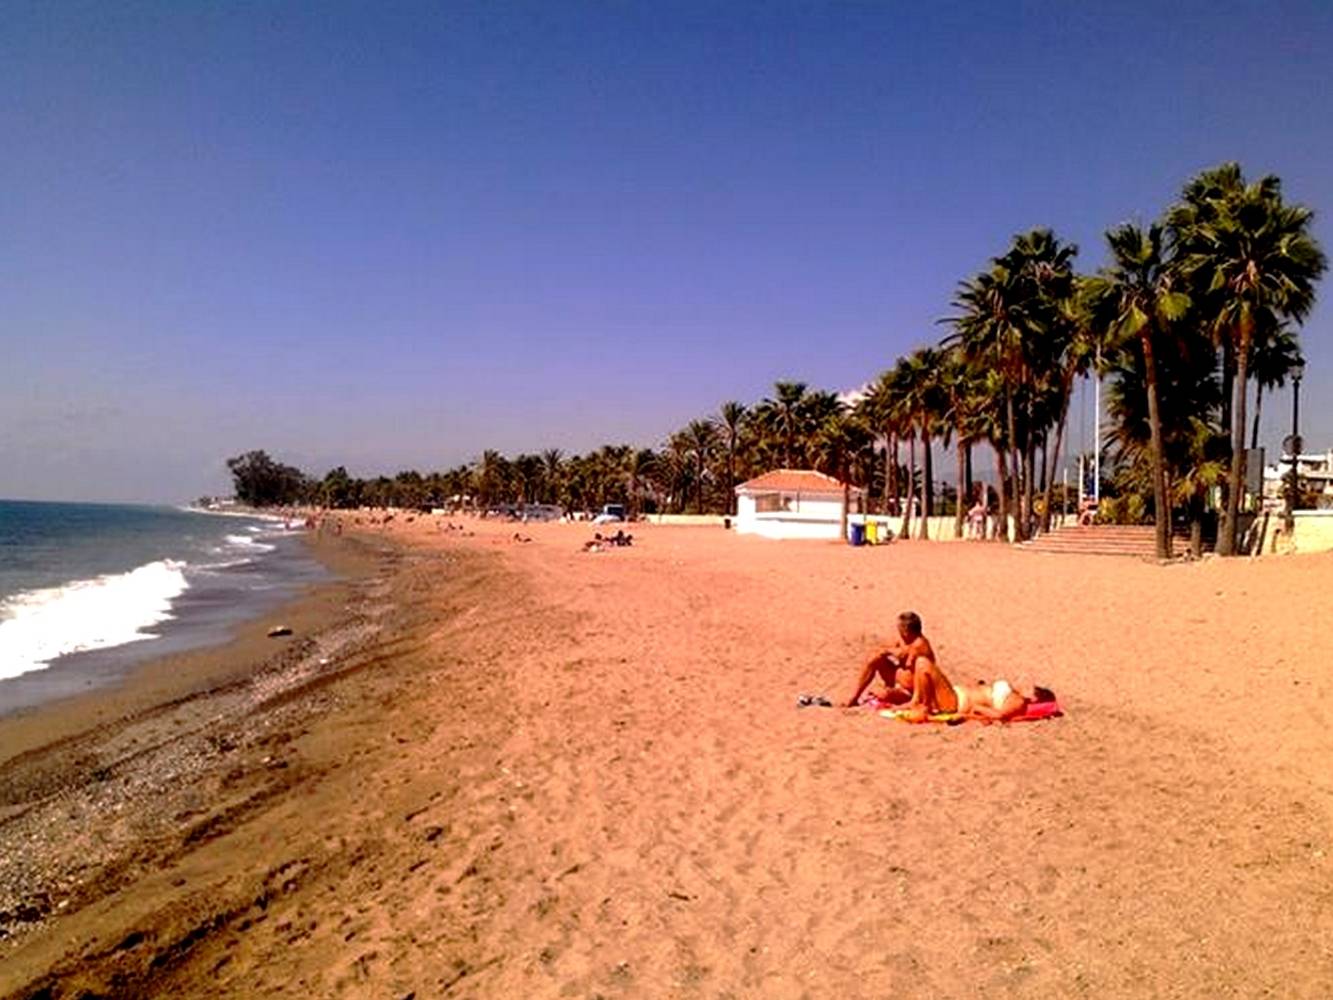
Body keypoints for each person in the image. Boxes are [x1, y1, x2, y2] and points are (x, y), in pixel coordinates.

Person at [844, 611, 937, 707]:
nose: (898, 631)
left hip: (910, 692)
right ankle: (854, 697)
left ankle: (890, 693)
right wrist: (888, 651)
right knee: (874, 658)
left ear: (906, 630)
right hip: (896, 679)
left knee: (882, 694)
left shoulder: (920, 645)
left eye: (900, 628)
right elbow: (882, 650)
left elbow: (903, 654)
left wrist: (890, 651)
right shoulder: (903, 640)